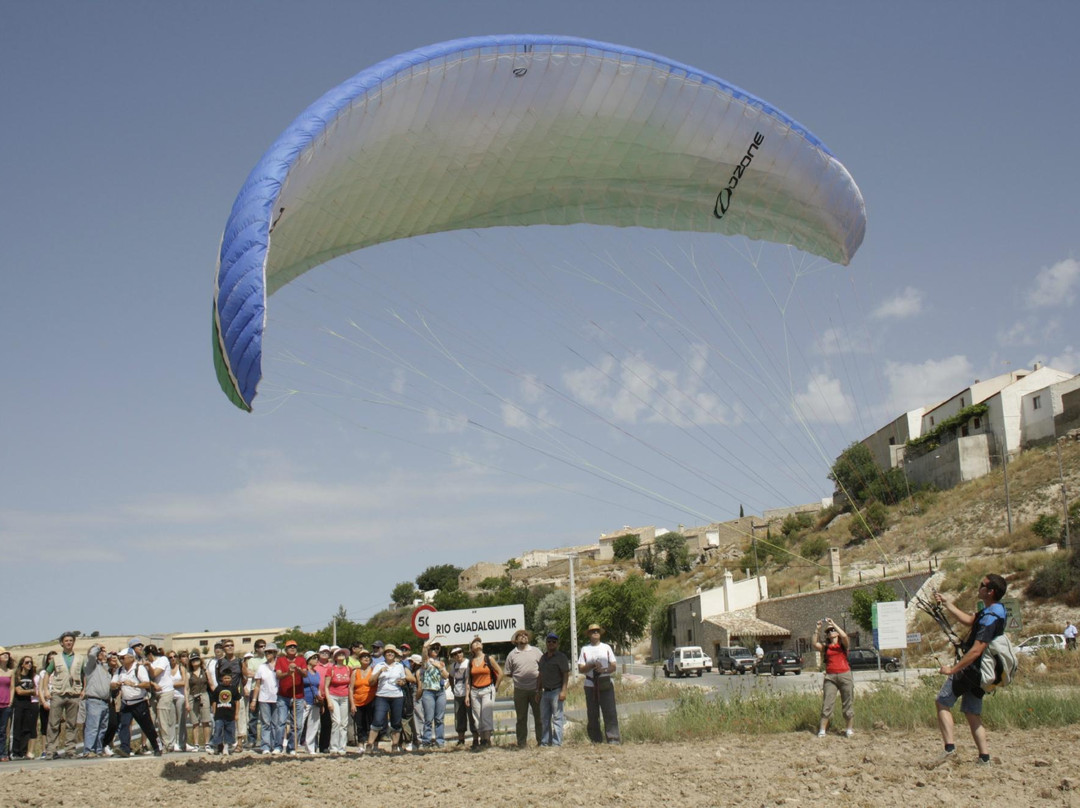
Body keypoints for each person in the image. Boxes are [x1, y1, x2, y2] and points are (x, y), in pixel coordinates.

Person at [929, 574, 1008, 768]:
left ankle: (949, 749)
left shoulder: (991, 616)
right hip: (983, 674)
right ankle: (984, 757)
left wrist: (953, 670)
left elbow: (977, 649)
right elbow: (970, 620)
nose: (978, 587)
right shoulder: (994, 610)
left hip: (973, 670)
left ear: (990, 591)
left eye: (982, 585)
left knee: (942, 702)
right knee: (972, 712)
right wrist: (948, 604)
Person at [42, 631, 85, 759]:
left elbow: (84, 675)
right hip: (58, 693)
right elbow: (47, 674)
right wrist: (46, 690)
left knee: (72, 724)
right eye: (66, 641)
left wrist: (84, 689)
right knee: (53, 723)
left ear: (74, 642)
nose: (68, 643)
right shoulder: (56, 659)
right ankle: (51, 751)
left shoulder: (80, 658)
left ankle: (70, 750)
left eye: (71, 640)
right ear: (62, 643)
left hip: (74, 694)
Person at [113, 647, 162, 757]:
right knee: (124, 725)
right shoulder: (120, 670)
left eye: (122, 657)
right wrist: (115, 685)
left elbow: (147, 684)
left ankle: (156, 746)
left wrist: (134, 684)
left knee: (147, 726)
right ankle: (125, 748)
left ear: (131, 658)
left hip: (139, 702)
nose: (120, 659)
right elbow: (112, 683)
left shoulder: (139, 669)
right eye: (119, 657)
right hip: (126, 703)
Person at [365, 645, 414, 754]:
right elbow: (371, 681)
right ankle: (370, 744)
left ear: (395, 654)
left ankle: (395, 745)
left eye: (392, 652)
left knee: (396, 722)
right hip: (382, 695)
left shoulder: (399, 666)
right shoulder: (379, 665)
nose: (390, 654)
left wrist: (402, 682)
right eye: (388, 652)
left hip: (397, 696)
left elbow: (404, 679)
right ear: (384, 654)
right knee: (377, 720)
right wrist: (379, 672)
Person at [577, 623, 619, 744]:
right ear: (589, 634)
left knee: (610, 712)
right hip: (590, 684)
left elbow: (613, 666)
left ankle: (613, 739)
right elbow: (581, 668)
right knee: (592, 713)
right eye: (593, 631)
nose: (595, 633)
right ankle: (595, 740)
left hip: (605, 682)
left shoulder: (606, 647)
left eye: (597, 631)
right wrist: (591, 665)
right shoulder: (585, 649)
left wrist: (604, 670)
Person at [812, 618, 854, 738]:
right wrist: (817, 629)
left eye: (833, 630)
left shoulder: (843, 645)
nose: (831, 632)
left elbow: (845, 636)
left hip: (845, 675)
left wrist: (833, 624)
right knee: (827, 703)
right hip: (830, 677)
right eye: (829, 631)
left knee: (848, 702)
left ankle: (849, 729)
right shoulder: (826, 647)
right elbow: (815, 644)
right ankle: (822, 730)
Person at [504, 629, 543, 748]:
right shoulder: (512, 654)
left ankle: (541, 741)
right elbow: (508, 672)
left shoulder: (536, 651)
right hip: (520, 690)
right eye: (520, 635)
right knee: (521, 718)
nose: (524, 637)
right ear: (516, 640)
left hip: (536, 689)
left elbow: (543, 668)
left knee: (539, 716)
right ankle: (521, 743)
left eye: (525, 635)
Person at [465, 636, 502, 750]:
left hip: (487, 689)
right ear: (471, 648)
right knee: (477, 717)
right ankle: (482, 740)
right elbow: (468, 680)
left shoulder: (488, 658)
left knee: (486, 715)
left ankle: (487, 740)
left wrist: (495, 687)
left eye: (479, 642)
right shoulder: (470, 662)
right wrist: (467, 695)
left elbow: (500, 672)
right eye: (474, 643)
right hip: (475, 691)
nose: (477, 644)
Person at [538, 632, 570, 747]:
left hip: (556, 691)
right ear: (546, 643)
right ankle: (545, 742)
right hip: (545, 692)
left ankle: (557, 743)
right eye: (549, 641)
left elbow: (565, 674)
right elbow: (540, 675)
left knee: (557, 718)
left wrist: (564, 690)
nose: (551, 643)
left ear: (557, 644)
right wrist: (538, 690)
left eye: (554, 642)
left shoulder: (561, 657)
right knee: (545, 719)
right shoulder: (543, 658)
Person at [275, 640, 306, 754]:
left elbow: (305, 674)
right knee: (281, 722)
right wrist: (288, 673)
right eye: (290, 647)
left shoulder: (301, 660)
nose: (292, 648)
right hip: (283, 696)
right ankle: (278, 746)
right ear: (286, 649)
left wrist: (297, 669)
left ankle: (292, 747)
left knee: (297, 724)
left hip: (298, 696)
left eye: (294, 646)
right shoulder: (280, 660)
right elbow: (278, 675)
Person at [81, 644, 112, 757]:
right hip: (94, 700)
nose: (104, 653)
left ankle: (98, 750)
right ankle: (88, 750)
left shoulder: (105, 667)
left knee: (102, 728)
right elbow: (92, 655)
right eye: (101, 652)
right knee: (92, 727)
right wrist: (97, 647)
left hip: (104, 701)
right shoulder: (91, 665)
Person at [251, 643, 282, 754]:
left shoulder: (280, 666)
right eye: (266, 652)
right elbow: (257, 685)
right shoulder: (261, 667)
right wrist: (254, 700)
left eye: (270, 652)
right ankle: (265, 746)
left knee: (276, 723)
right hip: (264, 698)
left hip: (277, 698)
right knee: (265, 723)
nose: (268, 654)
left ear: (275, 653)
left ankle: (276, 745)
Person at [146, 645, 178, 752]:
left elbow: (155, 673)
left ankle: (167, 744)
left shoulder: (163, 660)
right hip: (155, 693)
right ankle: (151, 744)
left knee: (162, 718)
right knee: (151, 717)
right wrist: (153, 683)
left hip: (166, 691)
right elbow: (145, 679)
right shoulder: (148, 663)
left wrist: (149, 667)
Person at [417, 640, 448, 749]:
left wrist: (439, 667)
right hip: (428, 691)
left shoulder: (441, 662)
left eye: (437, 648)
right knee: (428, 718)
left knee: (439, 718)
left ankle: (440, 741)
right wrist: (432, 639)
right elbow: (424, 649)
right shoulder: (426, 661)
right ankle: (426, 741)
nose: (435, 650)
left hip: (440, 691)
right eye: (433, 648)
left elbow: (446, 675)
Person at [322, 648, 352, 755]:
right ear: (334, 657)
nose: (341, 655)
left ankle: (342, 747)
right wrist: (329, 701)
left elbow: (350, 686)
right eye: (338, 654)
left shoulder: (348, 669)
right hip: (333, 696)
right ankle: (333, 747)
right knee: (336, 721)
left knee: (344, 723)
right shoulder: (331, 669)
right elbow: (326, 686)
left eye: (343, 654)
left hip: (345, 697)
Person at [349, 650, 377, 754]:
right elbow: (351, 688)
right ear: (360, 660)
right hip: (357, 701)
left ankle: (370, 743)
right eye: (363, 657)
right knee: (359, 724)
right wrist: (352, 703)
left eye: (368, 657)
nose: (366, 659)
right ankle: (360, 745)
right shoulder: (355, 672)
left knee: (371, 723)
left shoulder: (374, 671)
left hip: (371, 700)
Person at [10, 656, 38, 760]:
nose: (29, 664)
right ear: (22, 664)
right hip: (18, 704)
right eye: (27, 662)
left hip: (28, 704)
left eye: (31, 662)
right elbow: (19, 691)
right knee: (17, 728)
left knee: (27, 729)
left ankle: (23, 751)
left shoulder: (31, 677)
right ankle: (15, 752)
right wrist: (30, 691)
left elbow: (35, 691)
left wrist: (28, 691)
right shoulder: (17, 676)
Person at [208, 668, 241, 755]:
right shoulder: (218, 688)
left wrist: (236, 713)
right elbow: (214, 700)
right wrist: (214, 711)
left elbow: (237, 701)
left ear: (231, 679)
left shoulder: (233, 688)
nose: (226, 680)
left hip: (230, 714)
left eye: (228, 678)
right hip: (219, 714)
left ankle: (226, 746)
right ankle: (218, 746)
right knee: (218, 730)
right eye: (225, 678)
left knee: (229, 730)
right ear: (222, 679)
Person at [448, 646, 476, 747]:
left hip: (468, 693)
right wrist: (452, 687)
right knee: (459, 716)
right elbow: (450, 676)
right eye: (455, 654)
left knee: (472, 716)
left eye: (459, 652)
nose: (458, 655)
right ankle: (461, 739)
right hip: (458, 693)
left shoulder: (469, 663)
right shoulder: (453, 666)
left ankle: (475, 738)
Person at [187, 654, 212, 752]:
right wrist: (187, 702)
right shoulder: (189, 674)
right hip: (193, 696)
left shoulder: (205, 672)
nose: (195, 661)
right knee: (195, 722)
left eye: (197, 659)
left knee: (206, 721)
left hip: (204, 695)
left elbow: (211, 683)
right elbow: (186, 688)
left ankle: (207, 743)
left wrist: (206, 670)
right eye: (193, 660)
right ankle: (196, 744)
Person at [301, 652, 324, 754]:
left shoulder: (317, 673)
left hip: (315, 702)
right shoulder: (303, 672)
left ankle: (310, 747)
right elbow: (299, 686)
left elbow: (318, 688)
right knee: (300, 724)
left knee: (313, 725)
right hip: (305, 700)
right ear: (308, 659)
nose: (316, 660)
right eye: (314, 658)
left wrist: (321, 702)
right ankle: (293, 745)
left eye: (317, 658)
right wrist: (302, 699)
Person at [0, 647, 14, 761]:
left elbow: (12, 688)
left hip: (6, 704)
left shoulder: (10, 671)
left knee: (3, 730)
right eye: (3, 654)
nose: (6, 656)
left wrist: (10, 702)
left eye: (7, 654)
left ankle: (3, 753)